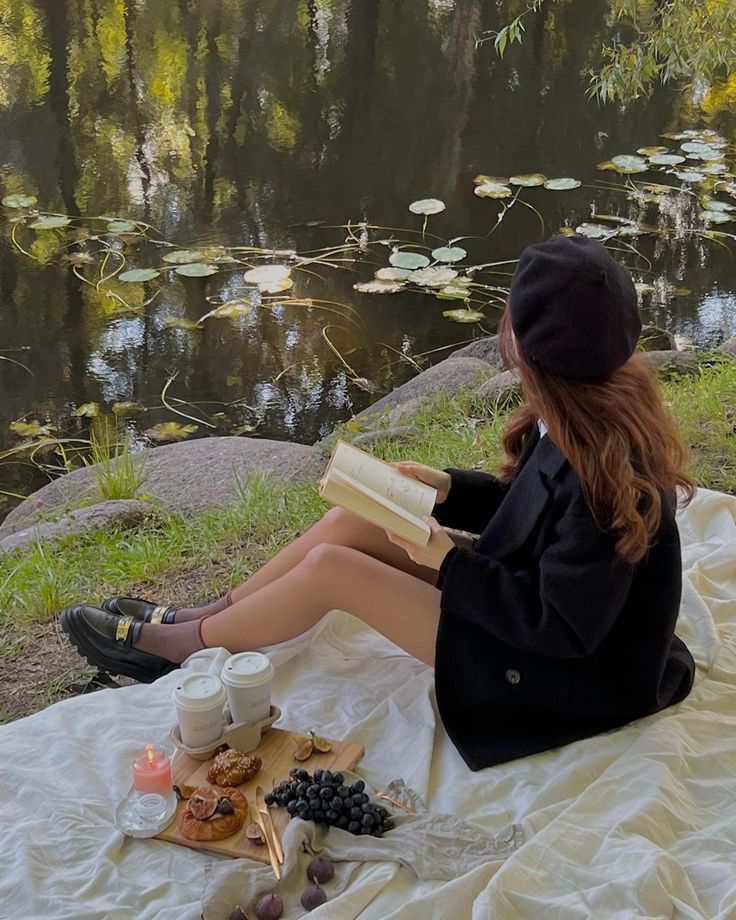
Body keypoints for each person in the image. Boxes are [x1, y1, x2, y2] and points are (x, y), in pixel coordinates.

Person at [61, 235, 696, 771]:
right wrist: (446, 488)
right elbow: (531, 514)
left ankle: (176, 648)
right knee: (352, 519)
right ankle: (198, 617)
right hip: (528, 610)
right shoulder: (582, 407)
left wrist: (446, 559)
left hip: (558, 676)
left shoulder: (612, 475)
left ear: (531, 350)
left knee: (333, 572)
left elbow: (558, 628)